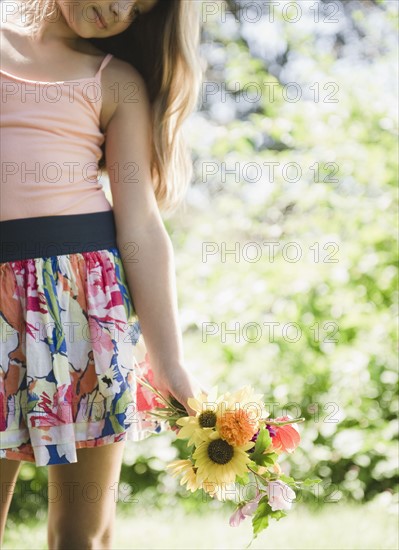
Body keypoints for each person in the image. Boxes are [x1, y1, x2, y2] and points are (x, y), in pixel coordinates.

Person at [0, 1, 207, 547]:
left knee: (80, 534)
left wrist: (170, 363)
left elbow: (139, 224)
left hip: (84, 313)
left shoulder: (116, 81)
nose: (118, 10)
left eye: (138, 9)